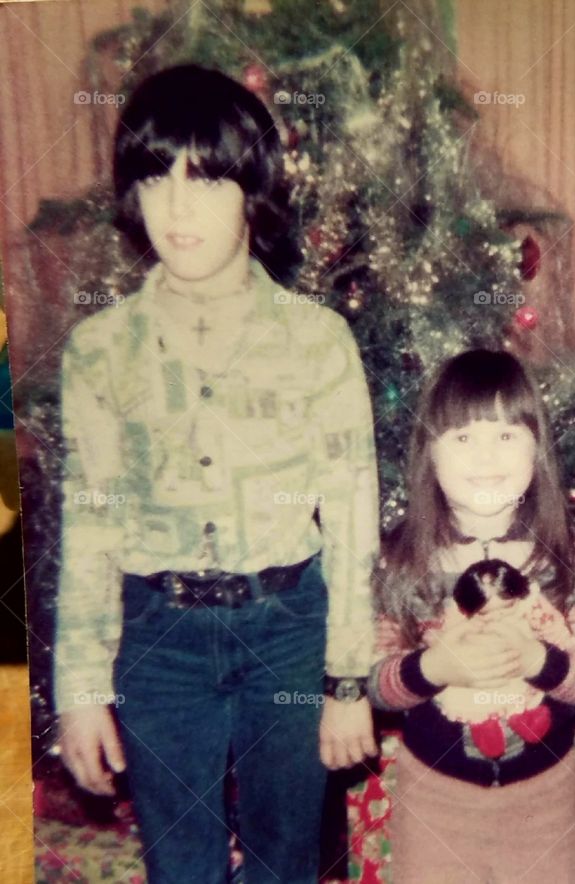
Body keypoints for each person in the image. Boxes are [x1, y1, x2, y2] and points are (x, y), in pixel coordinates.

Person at [54, 64, 380, 884]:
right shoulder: (100, 352)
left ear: (252, 193)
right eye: (157, 177)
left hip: (288, 632)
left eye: (206, 180)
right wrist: (80, 687)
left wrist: (347, 679)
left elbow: (350, 520)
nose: (177, 207)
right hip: (159, 641)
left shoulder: (316, 342)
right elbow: (89, 521)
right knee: (183, 866)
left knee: (285, 860)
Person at [368, 349, 575, 884]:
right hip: (435, 800)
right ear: (429, 454)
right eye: (462, 438)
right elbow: (378, 685)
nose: (486, 457)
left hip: (545, 800)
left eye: (507, 435)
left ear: (537, 450)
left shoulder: (570, 553)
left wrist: (540, 661)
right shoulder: (401, 557)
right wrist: (436, 669)